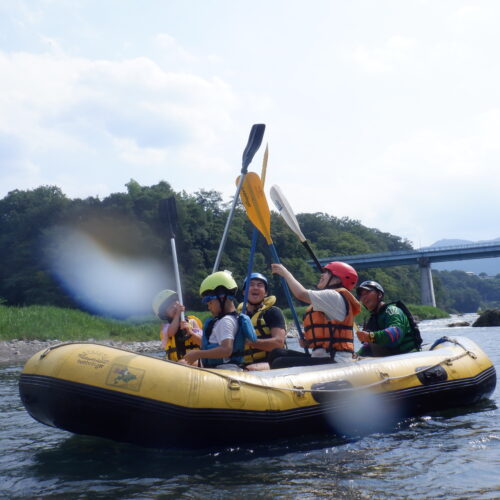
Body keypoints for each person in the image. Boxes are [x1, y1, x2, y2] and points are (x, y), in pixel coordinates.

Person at [269, 261, 361, 368]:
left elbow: (301, 294)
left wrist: (285, 273)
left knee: (280, 362)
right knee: (277, 353)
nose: (322, 275)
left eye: (326, 272)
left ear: (337, 279)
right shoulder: (328, 299)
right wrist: (310, 342)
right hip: (321, 358)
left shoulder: (334, 296)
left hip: (335, 360)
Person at [181, 270, 256, 370]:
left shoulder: (226, 321)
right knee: (182, 364)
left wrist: (197, 354)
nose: (208, 306)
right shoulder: (226, 320)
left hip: (225, 369)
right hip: (220, 368)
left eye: (209, 302)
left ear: (222, 298)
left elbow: (226, 350)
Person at [355, 280, 422, 357]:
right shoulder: (372, 319)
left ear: (379, 294)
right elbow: (369, 345)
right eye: (361, 295)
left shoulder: (392, 310)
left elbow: (395, 334)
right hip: (390, 357)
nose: (364, 297)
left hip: (408, 355)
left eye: (367, 292)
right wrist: (357, 355)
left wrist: (371, 336)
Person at [237, 272, 287, 371]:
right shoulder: (238, 317)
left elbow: (278, 343)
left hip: (271, 362)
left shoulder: (273, 312)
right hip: (243, 364)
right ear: (244, 292)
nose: (255, 288)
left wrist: (250, 342)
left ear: (265, 293)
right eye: (251, 285)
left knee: (250, 369)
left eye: (259, 285)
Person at [152, 289, 202, 362]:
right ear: (165, 314)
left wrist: (190, 332)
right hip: (176, 364)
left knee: (183, 362)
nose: (175, 307)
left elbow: (201, 342)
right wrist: (178, 313)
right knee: (182, 362)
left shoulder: (192, 322)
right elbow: (171, 333)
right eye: (171, 307)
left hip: (195, 361)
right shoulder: (166, 327)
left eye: (176, 304)